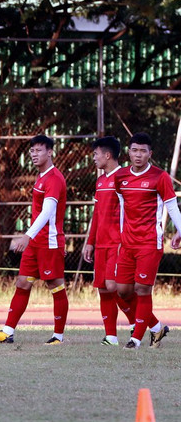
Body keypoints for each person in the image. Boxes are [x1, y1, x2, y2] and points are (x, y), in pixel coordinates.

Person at [0, 135, 69, 345]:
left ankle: (58, 336)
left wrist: (26, 235)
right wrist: (31, 238)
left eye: (39, 150)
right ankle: (7, 331)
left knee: (55, 286)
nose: (34, 154)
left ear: (50, 152)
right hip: (35, 242)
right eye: (32, 151)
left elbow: (48, 211)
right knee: (22, 283)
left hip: (49, 242)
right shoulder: (40, 177)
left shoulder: (54, 178)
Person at [111, 133, 181, 349]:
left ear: (150, 154)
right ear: (128, 152)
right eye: (134, 150)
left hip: (150, 242)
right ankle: (157, 327)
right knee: (122, 291)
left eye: (143, 151)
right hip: (127, 243)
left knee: (142, 289)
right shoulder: (120, 177)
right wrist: (120, 237)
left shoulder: (160, 177)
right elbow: (122, 208)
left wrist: (180, 230)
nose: (138, 155)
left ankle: (135, 339)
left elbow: (171, 207)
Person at [82, 136, 135, 345]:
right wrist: (90, 241)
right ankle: (111, 336)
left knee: (116, 287)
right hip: (101, 244)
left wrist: (127, 239)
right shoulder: (100, 180)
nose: (93, 158)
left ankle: (138, 323)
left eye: (95, 154)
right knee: (103, 288)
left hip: (118, 243)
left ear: (107, 155)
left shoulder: (123, 178)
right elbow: (97, 214)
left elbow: (130, 212)